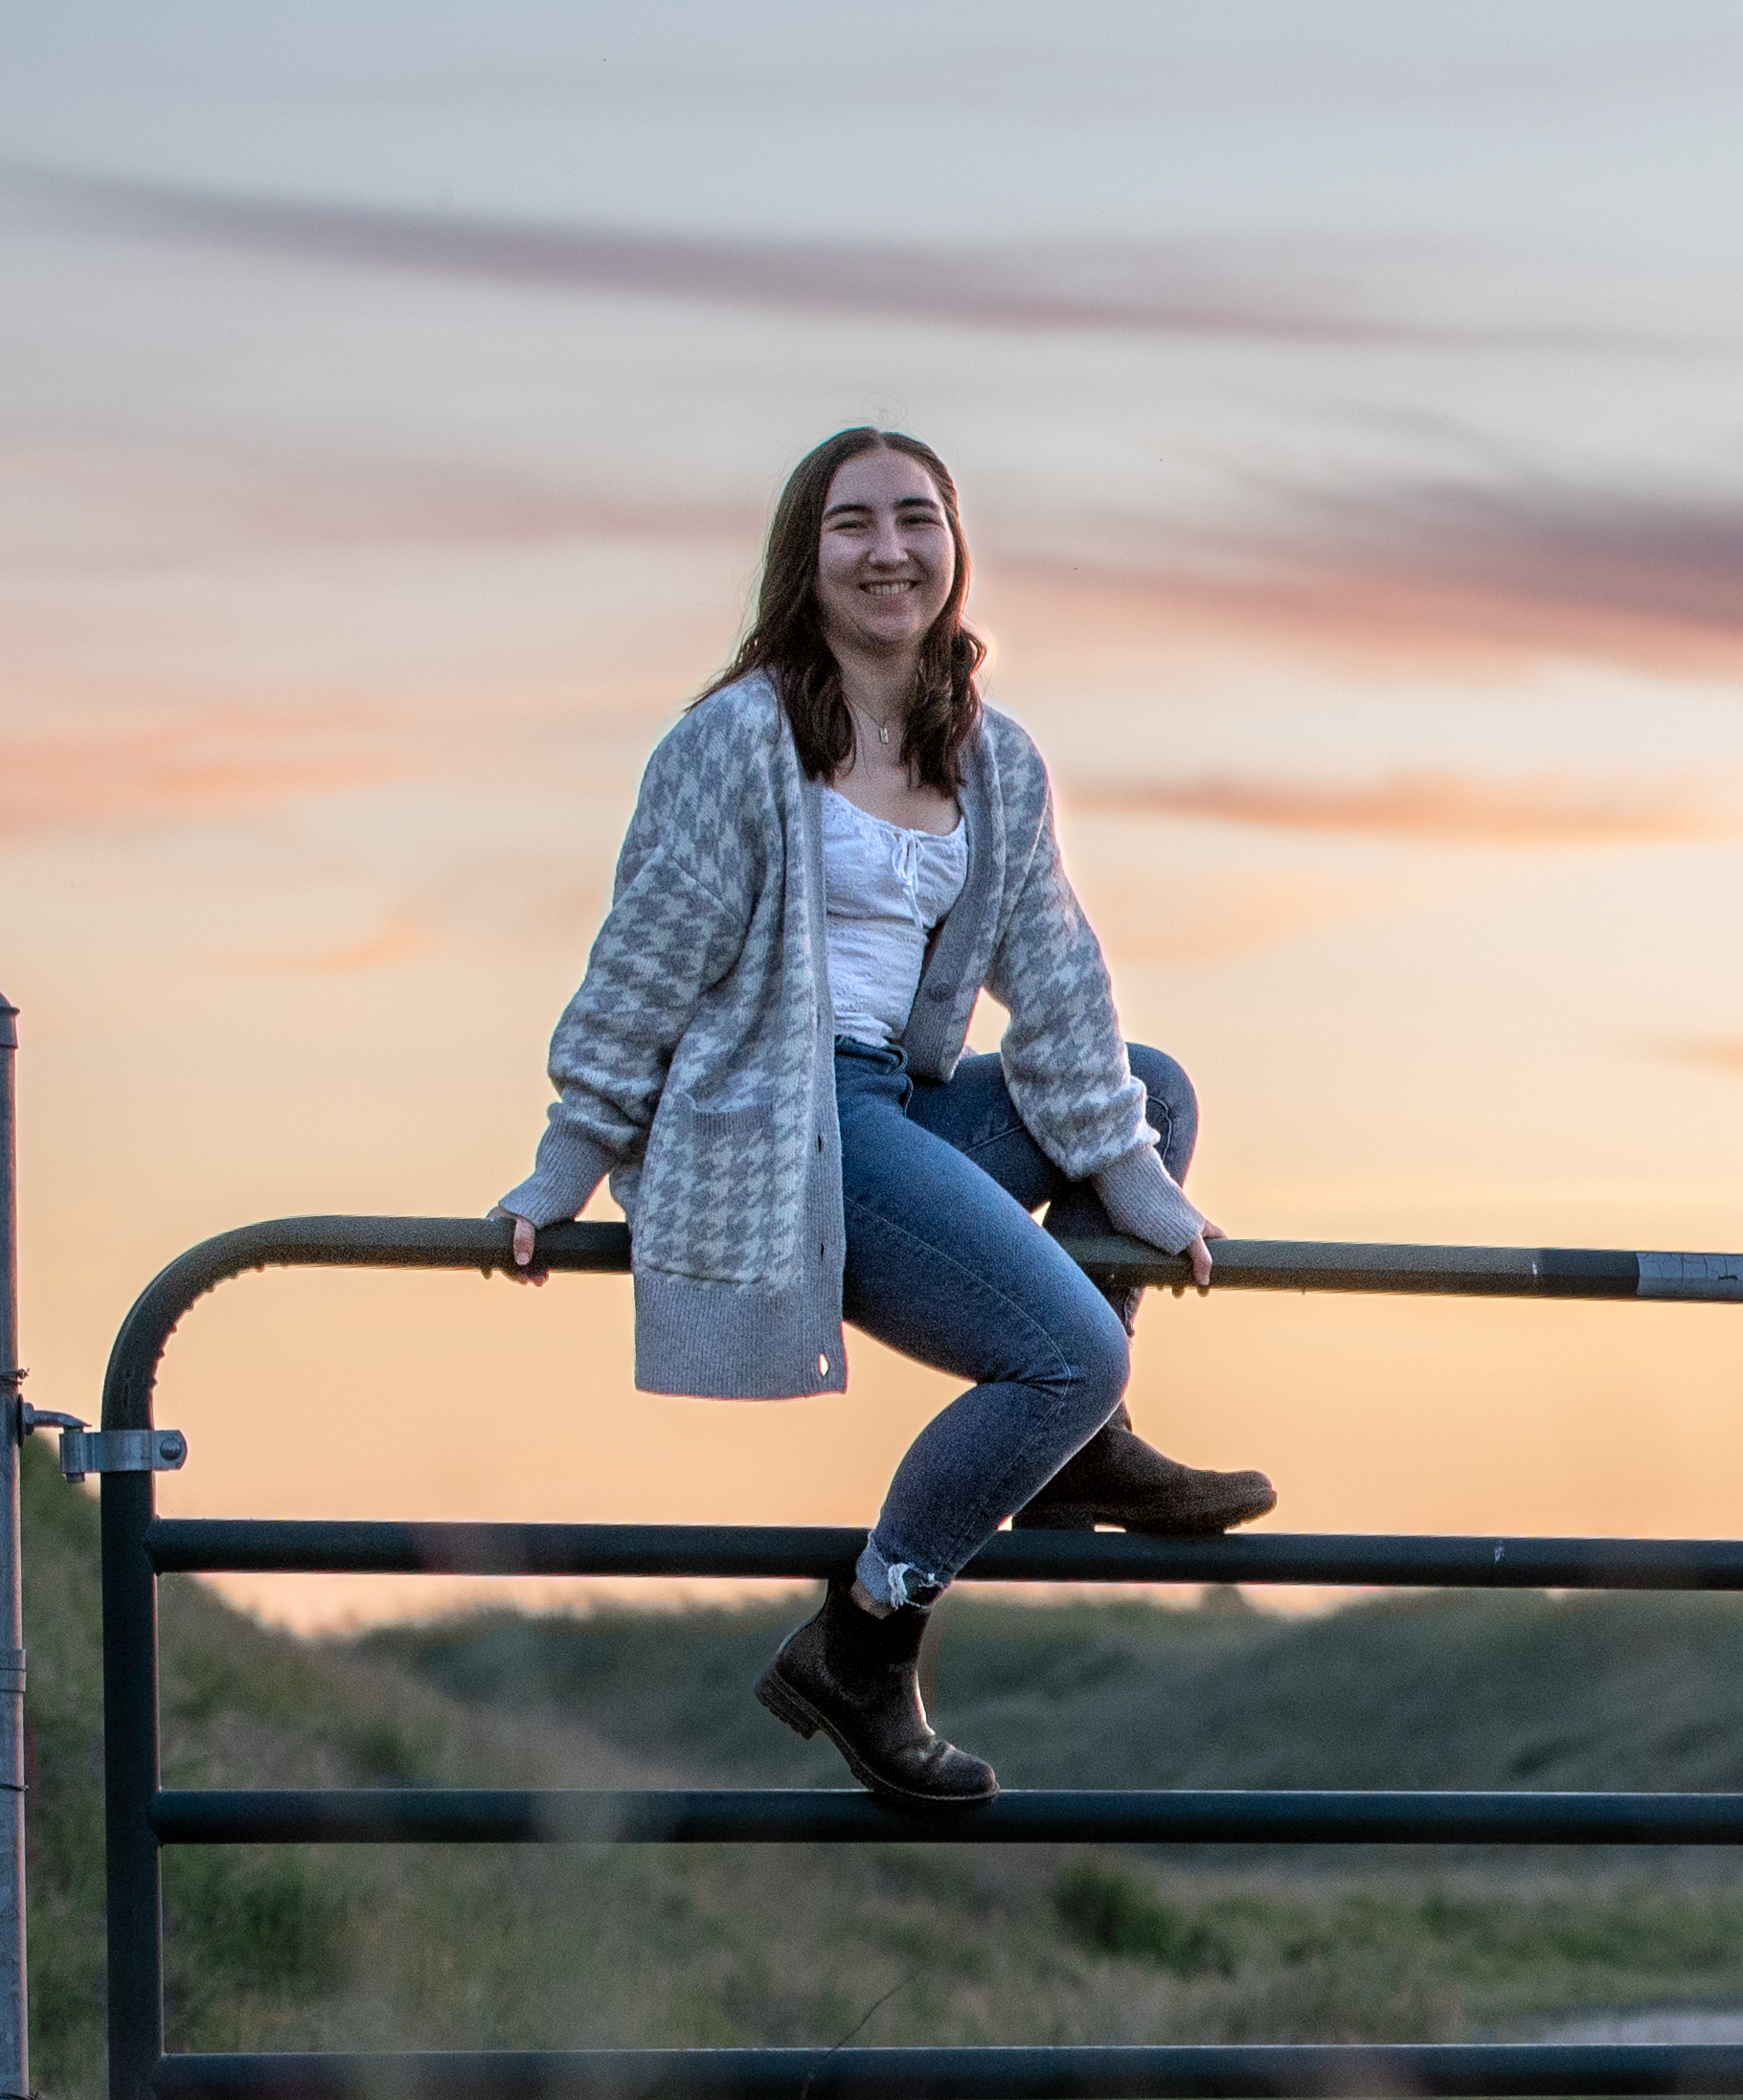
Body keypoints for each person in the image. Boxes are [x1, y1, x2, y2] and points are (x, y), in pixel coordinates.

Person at [488, 424, 1276, 1808]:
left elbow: (1058, 973)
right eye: (853, 524)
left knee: (1152, 1087)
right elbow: (641, 965)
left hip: (896, 1108)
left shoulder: (992, 757)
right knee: (1067, 1351)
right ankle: (868, 1636)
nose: (889, 549)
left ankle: (1079, 1443)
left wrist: (1136, 1176)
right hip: (770, 1124)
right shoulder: (736, 744)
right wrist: (568, 1158)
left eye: (917, 518)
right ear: (807, 558)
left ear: (956, 551)